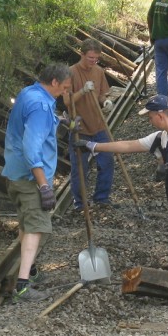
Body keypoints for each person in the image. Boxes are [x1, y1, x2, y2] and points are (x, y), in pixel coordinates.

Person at [76, 95, 168, 276]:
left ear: (160, 115)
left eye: (150, 117)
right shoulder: (162, 136)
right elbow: (129, 145)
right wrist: (93, 146)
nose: (149, 121)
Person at [2, 63, 72, 302]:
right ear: (54, 82)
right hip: (31, 178)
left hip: (15, 173)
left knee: (26, 224)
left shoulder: (28, 93)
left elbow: (32, 123)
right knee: (36, 228)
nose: (64, 92)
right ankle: (22, 285)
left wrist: (59, 121)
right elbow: (32, 148)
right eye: (63, 87)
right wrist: (44, 185)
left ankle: (29, 270)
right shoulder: (42, 106)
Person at [68, 39, 116, 210]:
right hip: (79, 128)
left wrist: (106, 102)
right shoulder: (71, 73)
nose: (93, 61)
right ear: (82, 54)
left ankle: (101, 198)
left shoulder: (99, 71)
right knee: (80, 168)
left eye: (96, 58)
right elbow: (68, 101)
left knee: (108, 161)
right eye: (90, 58)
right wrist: (82, 91)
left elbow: (102, 94)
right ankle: (80, 204)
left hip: (98, 125)